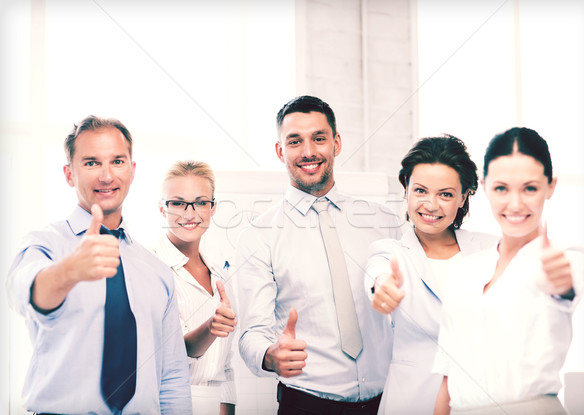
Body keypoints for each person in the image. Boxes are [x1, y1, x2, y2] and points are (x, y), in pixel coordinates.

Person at [6, 116, 192, 414]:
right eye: (91, 163)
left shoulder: (157, 271)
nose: (107, 176)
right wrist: (69, 271)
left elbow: (171, 377)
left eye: (117, 161)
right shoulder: (45, 245)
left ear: (132, 170)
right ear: (69, 174)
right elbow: (22, 291)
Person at [236, 95, 402, 415]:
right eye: (295, 141)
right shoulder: (259, 235)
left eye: (319, 138)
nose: (309, 151)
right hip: (306, 404)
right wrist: (270, 355)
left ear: (336, 143)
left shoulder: (385, 222)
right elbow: (251, 335)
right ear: (280, 150)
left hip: (389, 402)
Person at [432, 127, 584, 415]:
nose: (516, 203)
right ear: (484, 187)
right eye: (502, 188)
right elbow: (448, 375)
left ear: (551, 187)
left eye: (530, 188)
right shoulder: (463, 271)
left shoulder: (567, 258)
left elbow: (568, 284)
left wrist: (562, 282)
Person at [365, 135, 498, 414]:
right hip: (411, 400)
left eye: (446, 194)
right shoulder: (390, 252)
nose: (431, 204)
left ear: (463, 198)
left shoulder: (491, 250)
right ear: (406, 191)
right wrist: (382, 289)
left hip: (476, 400)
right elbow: (378, 275)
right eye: (421, 191)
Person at [153, 160, 237, 415]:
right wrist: (211, 328)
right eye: (177, 203)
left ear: (212, 208)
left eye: (201, 202)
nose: (190, 214)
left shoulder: (220, 274)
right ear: (162, 208)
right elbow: (173, 349)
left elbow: (225, 364)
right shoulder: (151, 269)